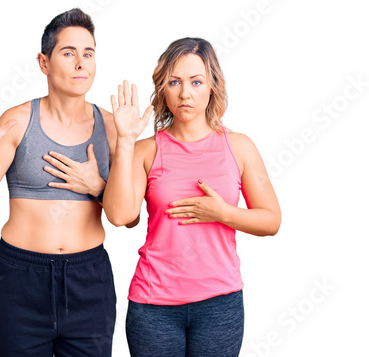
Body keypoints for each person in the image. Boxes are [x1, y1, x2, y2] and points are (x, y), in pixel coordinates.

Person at [0, 8, 123, 357]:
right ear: (43, 62)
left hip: (89, 282)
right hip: (19, 281)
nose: (81, 64)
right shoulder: (16, 122)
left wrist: (98, 187)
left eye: (88, 53)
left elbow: (130, 216)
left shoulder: (113, 128)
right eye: (68, 53)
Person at [103, 37, 281, 357]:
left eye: (196, 82)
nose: (185, 93)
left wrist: (222, 212)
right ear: (163, 88)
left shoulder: (239, 147)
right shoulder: (145, 150)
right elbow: (120, 216)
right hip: (153, 305)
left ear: (212, 86)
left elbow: (271, 220)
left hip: (219, 305)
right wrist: (126, 141)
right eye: (175, 82)